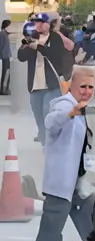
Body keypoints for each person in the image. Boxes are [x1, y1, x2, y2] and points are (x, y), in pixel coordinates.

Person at [21, 67, 95, 241]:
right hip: (61, 184)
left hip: (79, 183)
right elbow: (52, 122)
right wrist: (72, 112)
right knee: (51, 232)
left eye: (90, 87)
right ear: (72, 86)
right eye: (82, 87)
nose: (86, 92)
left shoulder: (86, 109)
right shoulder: (63, 105)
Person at [18, 13, 71, 145]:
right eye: (36, 22)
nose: (39, 25)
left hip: (51, 84)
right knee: (38, 114)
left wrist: (39, 47)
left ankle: (51, 142)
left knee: (48, 112)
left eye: (42, 22)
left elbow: (55, 55)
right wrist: (29, 46)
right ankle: (44, 141)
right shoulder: (31, 36)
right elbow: (21, 56)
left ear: (49, 24)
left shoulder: (55, 38)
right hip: (35, 84)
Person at [0, 19, 11, 95]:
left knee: (7, 72)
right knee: (6, 72)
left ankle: (5, 88)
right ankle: (3, 89)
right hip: (5, 56)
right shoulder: (2, 34)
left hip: (6, 55)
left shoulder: (5, 33)